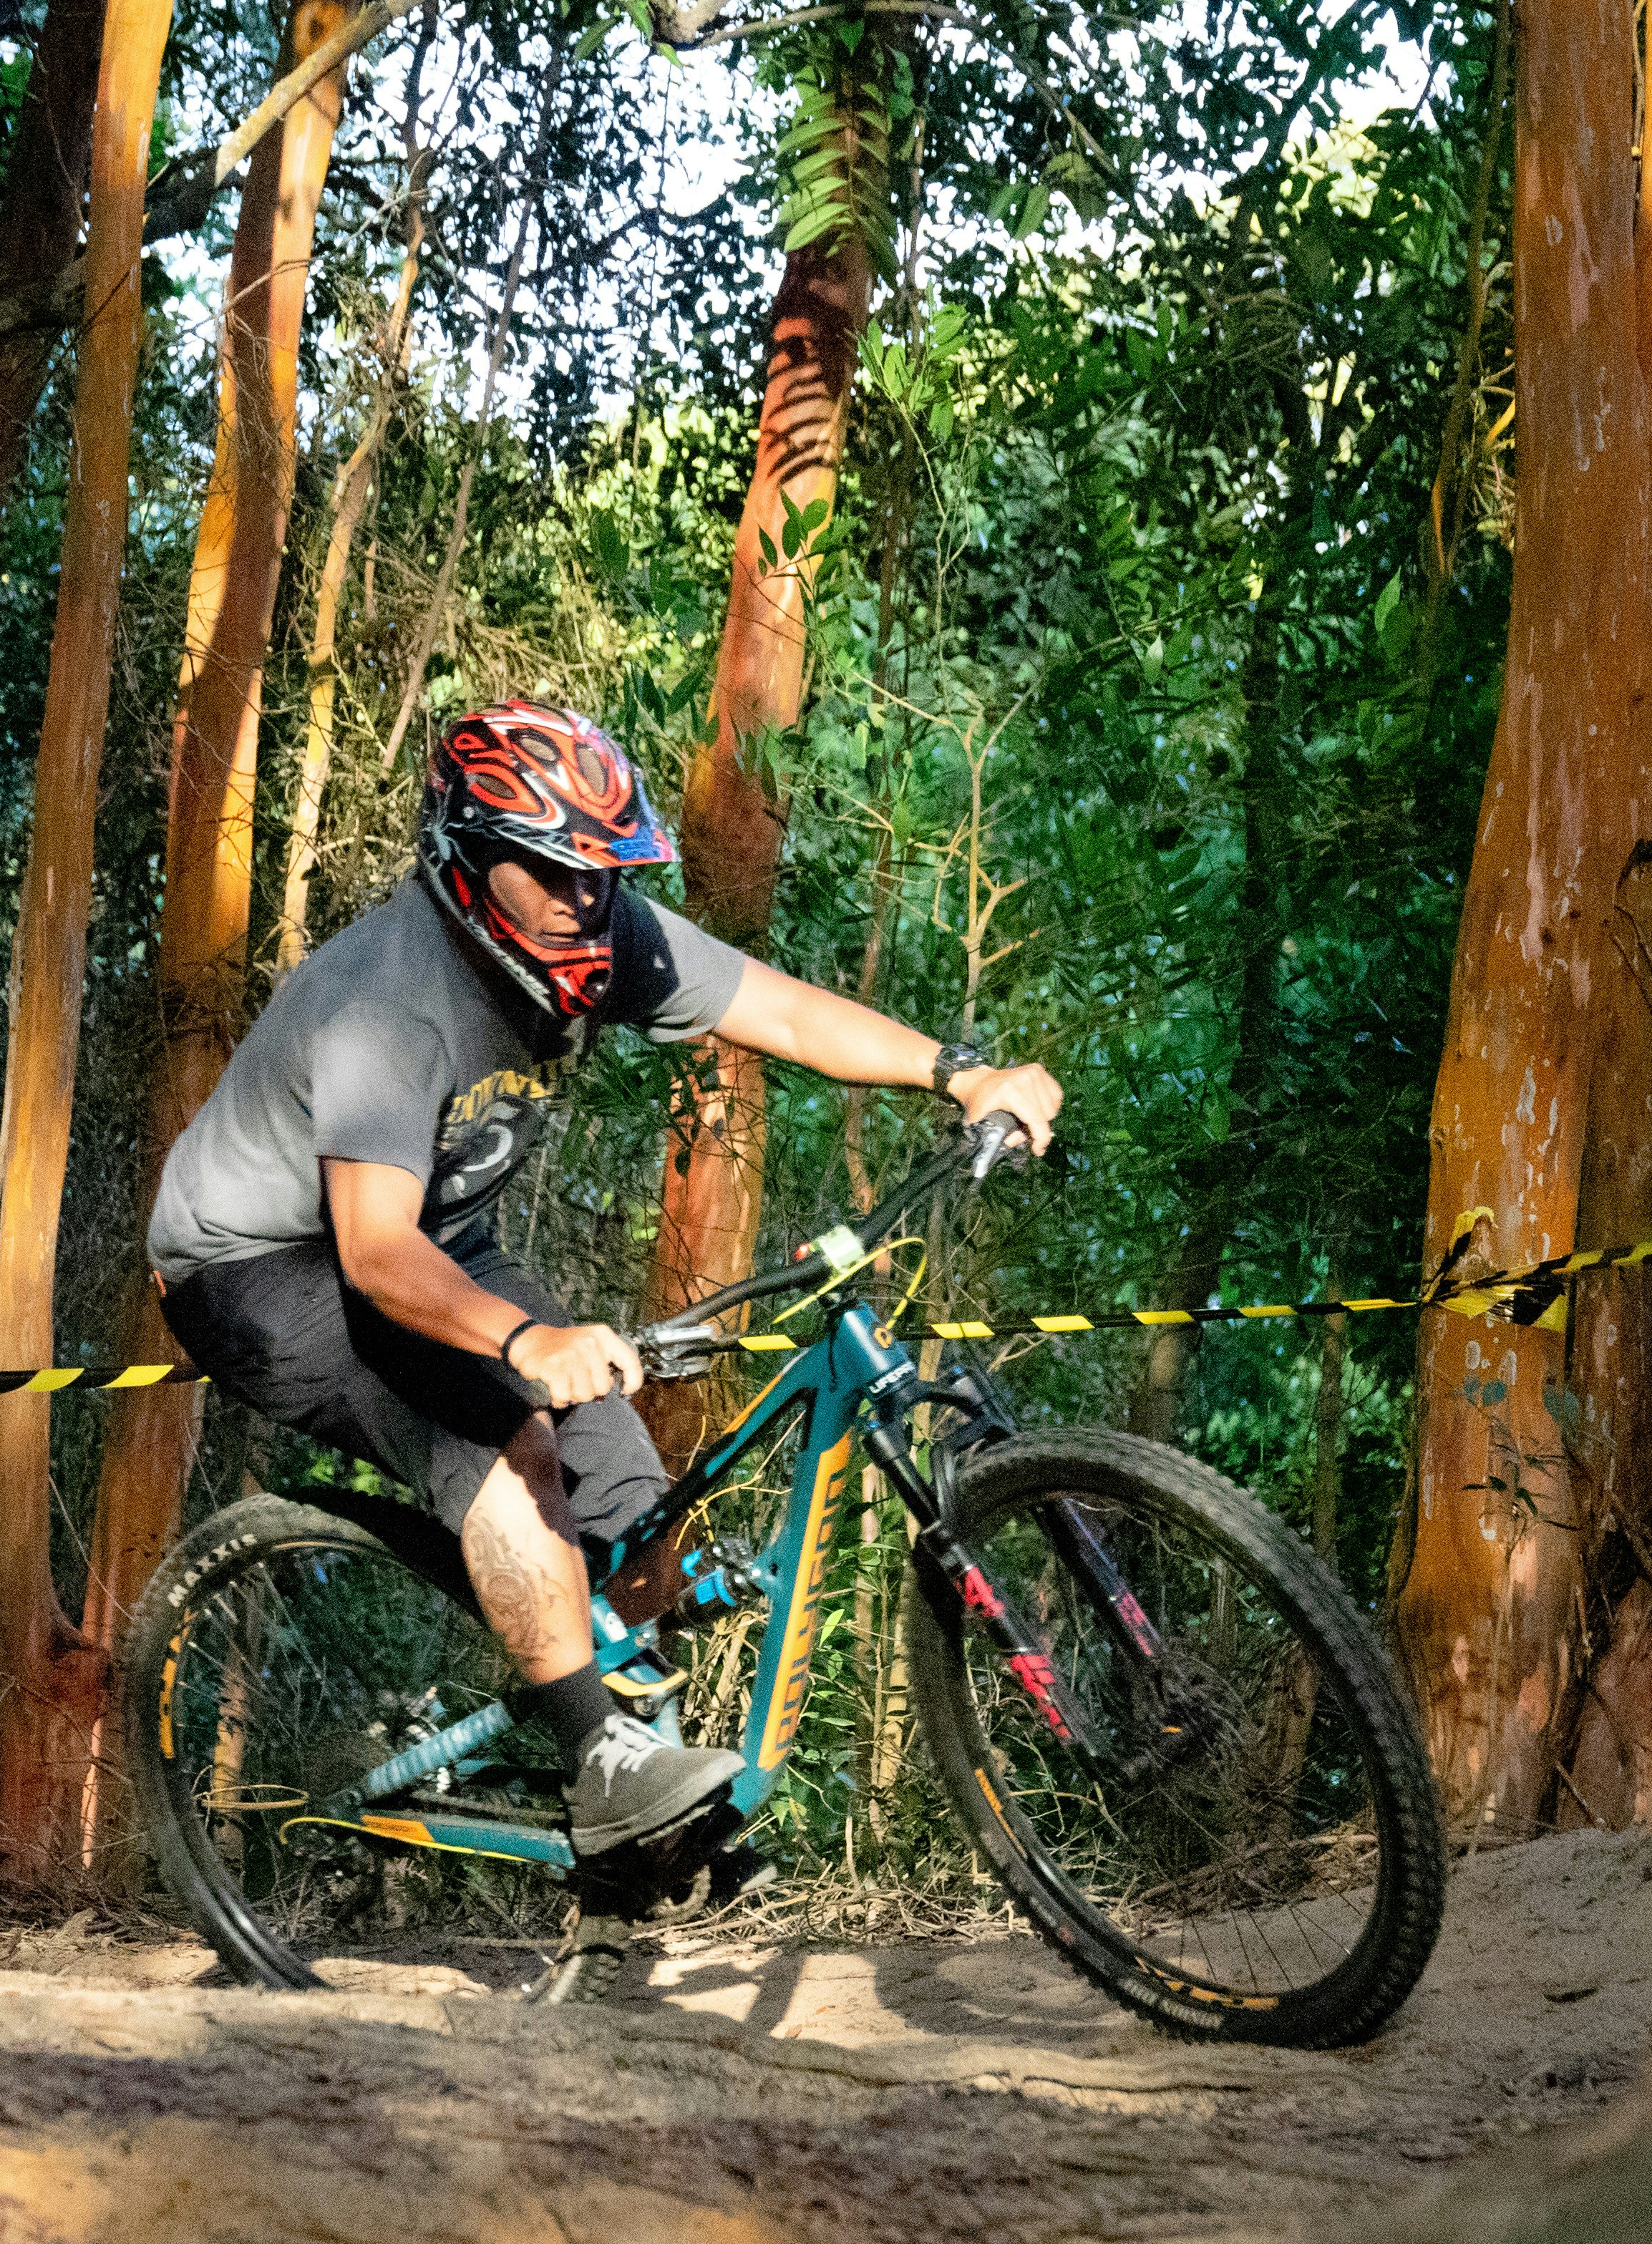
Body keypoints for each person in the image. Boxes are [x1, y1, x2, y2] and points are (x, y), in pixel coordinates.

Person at [145, 701, 1064, 1859]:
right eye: (554, 871)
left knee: (630, 1498)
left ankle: (633, 1819)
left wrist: (958, 1075)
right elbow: (375, 1254)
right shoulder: (389, 1005)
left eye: (601, 874)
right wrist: (525, 1345)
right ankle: (602, 1762)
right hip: (260, 1267)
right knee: (510, 1438)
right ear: (468, 857)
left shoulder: (595, 928)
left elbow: (775, 1008)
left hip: (437, 1236)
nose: (584, 899)